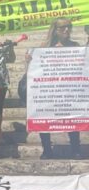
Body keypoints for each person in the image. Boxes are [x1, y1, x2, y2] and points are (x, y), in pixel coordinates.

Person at [26, 17, 82, 158]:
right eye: (62, 27)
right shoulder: (44, 47)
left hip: (69, 90)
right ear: (55, 30)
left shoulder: (75, 46)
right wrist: (29, 61)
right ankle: (47, 149)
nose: (67, 30)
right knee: (44, 116)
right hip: (49, 90)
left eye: (69, 26)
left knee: (72, 118)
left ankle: (75, 149)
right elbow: (34, 70)